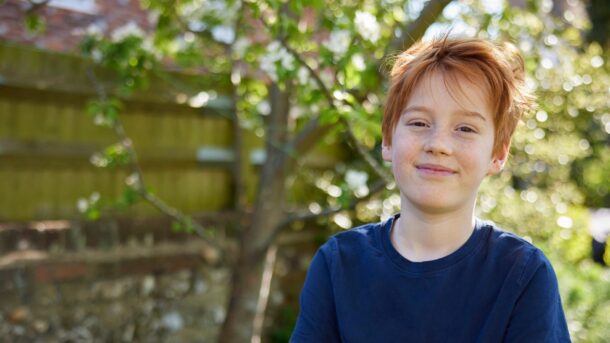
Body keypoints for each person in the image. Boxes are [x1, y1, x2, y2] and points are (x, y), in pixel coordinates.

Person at [290, 36, 571, 342]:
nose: (437, 144)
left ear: (498, 154)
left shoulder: (523, 275)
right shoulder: (338, 265)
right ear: (387, 139)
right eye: (419, 123)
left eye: (465, 128)